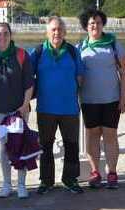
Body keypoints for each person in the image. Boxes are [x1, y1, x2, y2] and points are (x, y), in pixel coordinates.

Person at [30, 16, 85, 195]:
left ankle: (70, 179)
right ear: (47, 32)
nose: (57, 33)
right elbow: (27, 78)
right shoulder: (38, 52)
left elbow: (80, 77)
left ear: (65, 32)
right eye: (53, 29)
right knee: (45, 146)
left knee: (72, 145)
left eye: (60, 29)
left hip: (69, 108)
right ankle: (46, 181)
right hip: (45, 108)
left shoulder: (72, 51)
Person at [78, 9, 125, 189]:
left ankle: (112, 172)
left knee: (110, 135)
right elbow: (78, 76)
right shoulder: (80, 47)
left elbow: (124, 71)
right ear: (86, 26)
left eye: (98, 22)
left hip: (111, 99)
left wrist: (124, 97)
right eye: (91, 23)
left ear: (103, 24)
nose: (95, 26)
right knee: (92, 136)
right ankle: (95, 172)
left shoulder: (113, 44)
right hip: (88, 100)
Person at [0, 23, 34, 199]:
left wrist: (24, 105)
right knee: (5, 146)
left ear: (10, 35)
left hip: (18, 109)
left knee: (20, 146)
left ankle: (21, 185)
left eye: (5, 34)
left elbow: (29, 83)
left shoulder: (21, 54)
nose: (2, 37)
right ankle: (6, 184)